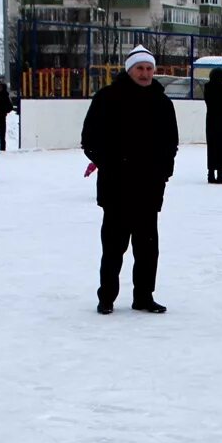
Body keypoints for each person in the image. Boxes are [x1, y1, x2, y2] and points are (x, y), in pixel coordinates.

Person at [81, 45, 178, 315]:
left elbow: (171, 142)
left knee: (147, 248)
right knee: (113, 247)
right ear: (129, 70)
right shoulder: (108, 98)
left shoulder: (162, 102)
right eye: (140, 68)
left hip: (149, 187)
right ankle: (107, 297)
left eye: (149, 68)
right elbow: (89, 139)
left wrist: (164, 172)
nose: (145, 73)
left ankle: (144, 296)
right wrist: (112, 164)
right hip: (117, 187)